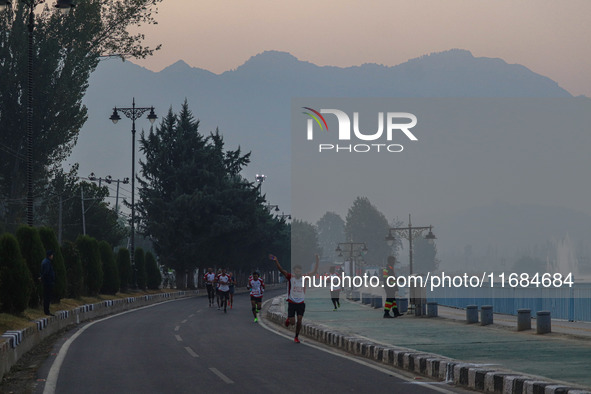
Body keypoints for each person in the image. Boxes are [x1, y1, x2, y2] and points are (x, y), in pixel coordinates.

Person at [270, 253, 319, 343]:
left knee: (299, 320)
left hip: (301, 303)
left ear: (301, 271)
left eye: (299, 271)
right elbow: (281, 270)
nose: (298, 273)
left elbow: (314, 271)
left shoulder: (304, 277)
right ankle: (289, 319)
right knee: (293, 322)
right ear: (294, 271)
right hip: (292, 302)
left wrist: (317, 260)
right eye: (296, 271)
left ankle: (296, 337)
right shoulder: (290, 277)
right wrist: (276, 261)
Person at [39, 250, 56, 316]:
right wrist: (42, 278)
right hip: (48, 282)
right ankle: (46, 311)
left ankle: (47, 310)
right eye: (52, 255)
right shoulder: (47, 263)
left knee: (47, 297)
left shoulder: (45, 261)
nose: (53, 256)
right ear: (50, 255)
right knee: (47, 297)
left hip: (47, 282)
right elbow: (46, 272)